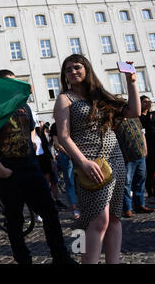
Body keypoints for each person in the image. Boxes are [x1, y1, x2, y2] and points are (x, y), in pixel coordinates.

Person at [0, 69, 75, 265]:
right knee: (15, 219)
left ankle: (61, 256)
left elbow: (32, 127)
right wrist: (0, 169)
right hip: (8, 171)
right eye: (10, 83)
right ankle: (23, 259)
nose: (16, 86)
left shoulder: (24, 105)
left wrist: (32, 142)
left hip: (31, 166)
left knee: (50, 211)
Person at [54, 55, 140, 264]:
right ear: (64, 75)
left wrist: (131, 82)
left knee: (115, 219)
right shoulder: (65, 98)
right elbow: (64, 137)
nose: (73, 72)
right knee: (97, 220)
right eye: (68, 70)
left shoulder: (100, 96)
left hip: (115, 160)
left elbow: (134, 111)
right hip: (89, 163)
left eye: (77, 67)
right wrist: (82, 162)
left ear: (86, 69)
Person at [115, 115, 154, 217]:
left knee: (140, 180)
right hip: (127, 156)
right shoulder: (115, 119)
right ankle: (127, 208)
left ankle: (139, 204)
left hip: (140, 154)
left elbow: (142, 133)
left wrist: (145, 149)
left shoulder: (135, 118)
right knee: (126, 183)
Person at [50, 122, 79, 219]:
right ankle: (74, 209)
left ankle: (84, 206)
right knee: (70, 182)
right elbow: (57, 143)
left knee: (81, 181)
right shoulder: (55, 126)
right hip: (66, 155)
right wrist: (68, 153)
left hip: (77, 153)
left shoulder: (72, 121)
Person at [35, 125, 67, 210]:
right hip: (38, 161)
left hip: (47, 160)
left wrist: (52, 160)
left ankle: (56, 200)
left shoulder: (41, 133)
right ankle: (46, 203)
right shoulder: (32, 135)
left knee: (53, 182)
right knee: (45, 183)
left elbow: (46, 147)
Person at [140, 95, 155, 200]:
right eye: (145, 102)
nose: (148, 103)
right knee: (149, 169)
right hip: (146, 145)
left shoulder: (152, 114)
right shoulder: (138, 116)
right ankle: (149, 191)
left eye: (149, 101)